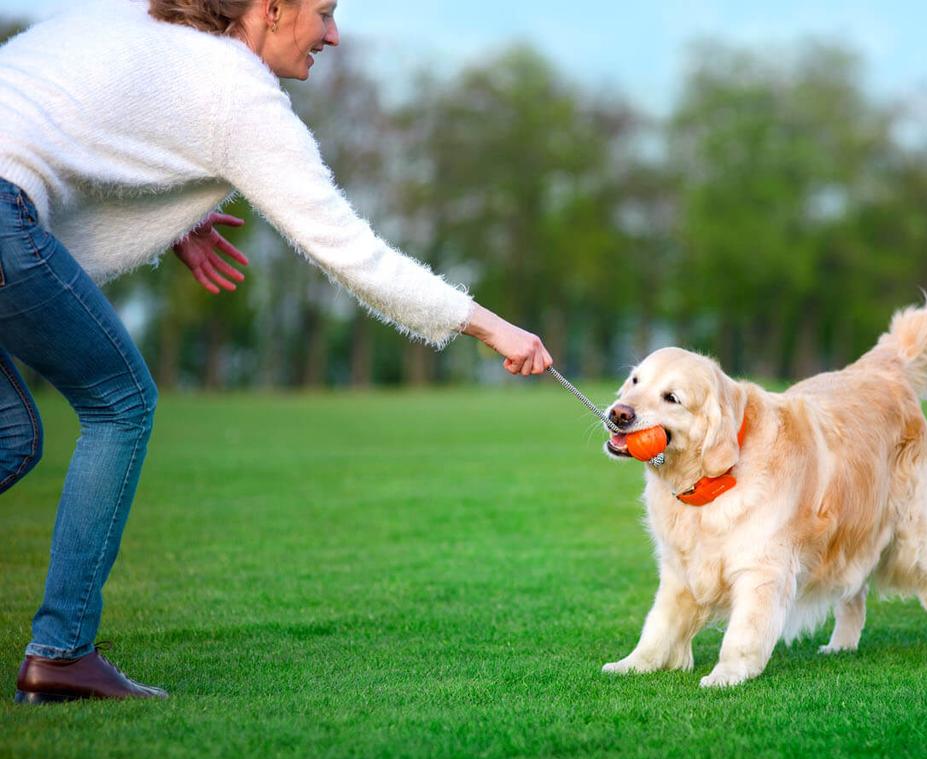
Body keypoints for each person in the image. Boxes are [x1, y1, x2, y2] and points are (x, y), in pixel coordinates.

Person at [0, 0, 553, 704]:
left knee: (12, 435)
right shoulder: (240, 95)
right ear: (270, 10)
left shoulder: (142, 22)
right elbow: (354, 255)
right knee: (121, 402)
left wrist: (175, 218)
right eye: (322, 13)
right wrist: (489, 326)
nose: (333, 34)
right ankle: (61, 654)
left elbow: (57, 112)